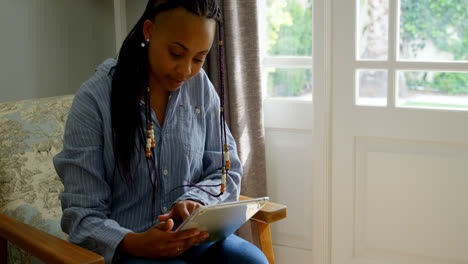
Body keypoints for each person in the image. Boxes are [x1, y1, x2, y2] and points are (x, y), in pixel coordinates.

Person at [53, 0, 268, 263]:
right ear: (149, 31)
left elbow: (226, 170)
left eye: (199, 58)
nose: (187, 70)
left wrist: (195, 201)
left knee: (253, 261)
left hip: (193, 240)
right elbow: (81, 216)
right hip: (129, 249)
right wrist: (134, 242)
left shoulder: (200, 87)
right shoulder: (95, 101)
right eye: (176, 53)